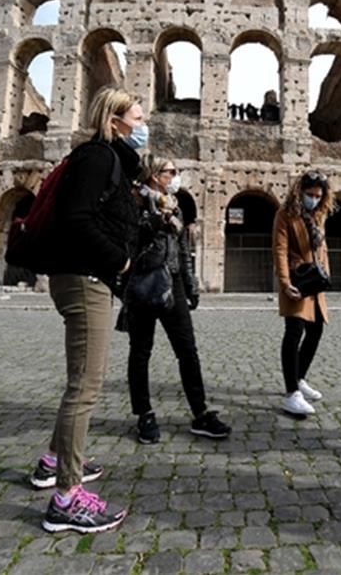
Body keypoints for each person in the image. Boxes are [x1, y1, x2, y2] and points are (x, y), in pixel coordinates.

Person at [28, 86, 145, 534]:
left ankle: (52, 462)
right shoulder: (95, 157)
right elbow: (77, 219)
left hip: (85, 277)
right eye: (136, 118)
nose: (143, 126)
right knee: (85, 387)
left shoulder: (110, 158)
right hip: (85, 278)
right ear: (114, 121)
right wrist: (120, 259)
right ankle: (66, 499)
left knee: (82, 383)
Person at [123, 156, 231, 444]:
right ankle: (144, 413)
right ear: (154, 175)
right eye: (170, 172)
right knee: (141, 351)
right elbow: (132, 240)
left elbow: (182, 249)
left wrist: (191, 284)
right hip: (144, 282)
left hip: (174, 284)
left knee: (187, 350)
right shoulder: (134, 201)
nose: (175, 176)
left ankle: (200, 413)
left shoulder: (175, 205)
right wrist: (157, 219)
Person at [272, 170, 333, 416]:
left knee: (316, 331)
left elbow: (322, 249)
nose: (314, 199)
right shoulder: (285, 215)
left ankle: (299, 378)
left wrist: (326, 274)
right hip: (297, 280)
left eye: (318, 196)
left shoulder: (318, 215)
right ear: (299, 192)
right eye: (310, 195)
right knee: (294, 331)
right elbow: (280, 249)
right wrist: (285, 282)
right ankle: (291, 393)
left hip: (315, 283)